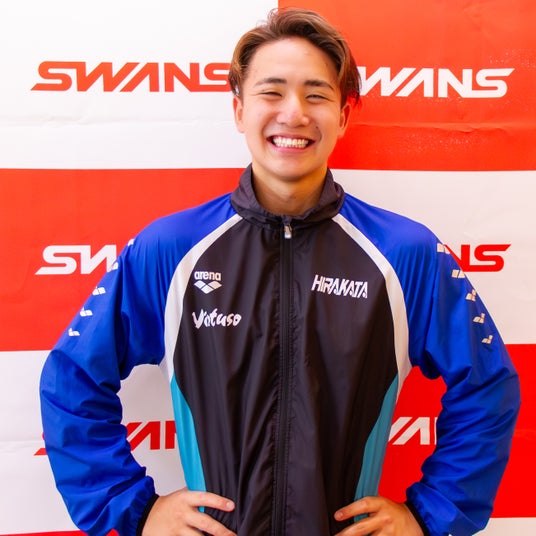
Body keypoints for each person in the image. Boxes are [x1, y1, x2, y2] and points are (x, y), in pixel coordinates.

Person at [40, 7, 520, 536]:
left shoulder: (404, 253)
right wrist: (134, 509)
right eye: (272, 92)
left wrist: (430, 516)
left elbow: (488, 386)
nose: (293, 114)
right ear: (238, 109)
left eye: (316, 95)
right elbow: (72, 379)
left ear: (344, 115)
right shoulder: (171, 250)